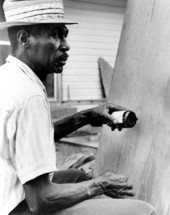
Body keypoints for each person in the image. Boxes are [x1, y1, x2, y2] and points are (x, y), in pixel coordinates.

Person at [0, 0, 157, 214]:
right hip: (19, 208)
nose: (66, 45)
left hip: (6, 193)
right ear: (24, 38)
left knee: (78, 176)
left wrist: (85, 117)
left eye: (65, 34)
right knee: (143, 210)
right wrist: (100, 184)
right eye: (55, 35)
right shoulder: (29, 96)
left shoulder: (9, 77)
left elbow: (32, 140)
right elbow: (40, 200)